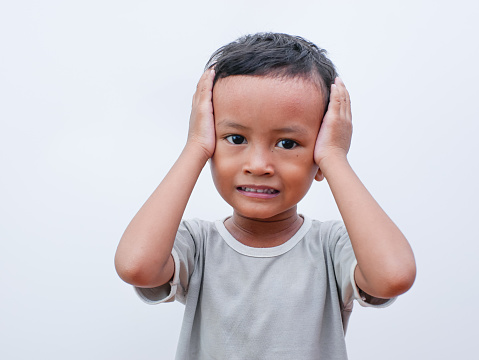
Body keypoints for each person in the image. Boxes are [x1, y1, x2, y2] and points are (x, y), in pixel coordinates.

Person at [115, 32, 416, 359]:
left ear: (318, 157)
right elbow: (136, 267)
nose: (258, 165)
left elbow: (393, 276)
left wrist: (334, 157)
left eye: (287, 143)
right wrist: (194, 147)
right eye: (235, 138)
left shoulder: (332, 247)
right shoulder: (197, 244)